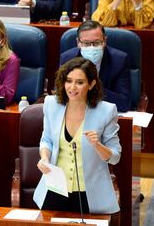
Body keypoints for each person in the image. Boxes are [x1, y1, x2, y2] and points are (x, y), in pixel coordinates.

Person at [36, 57, 121, 214]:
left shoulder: (106, 111)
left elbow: (115, 156)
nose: (72, 87)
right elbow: (46, 139)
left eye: (80, 82)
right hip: (55, 188)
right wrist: (45, 158)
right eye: (69, 81)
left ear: (91, 84)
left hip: (89, 194)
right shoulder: (51, 104)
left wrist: (97, 145)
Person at [60, 20, 130, 112]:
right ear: (78, 42)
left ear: (104, 41)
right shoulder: (67, 59)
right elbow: (60, 95)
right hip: (76, 112)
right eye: (86, 43)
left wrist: (92, 87)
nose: (91, 47)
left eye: (96, 43)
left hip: (105, 113)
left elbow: (123, 103)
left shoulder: (119, 60)